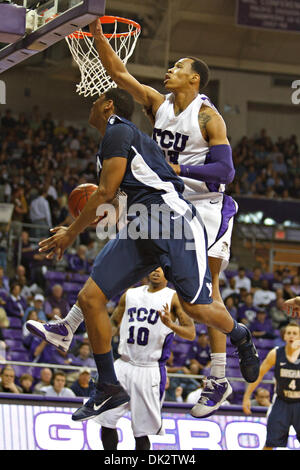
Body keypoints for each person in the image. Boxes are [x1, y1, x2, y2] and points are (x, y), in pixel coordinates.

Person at [26, 88, 259, 422]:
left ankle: (240, 335)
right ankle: (107, 385)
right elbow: (114, 197)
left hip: (171, 218)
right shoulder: (110, 142)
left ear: (107, 106)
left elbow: (107, 191)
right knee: (91, 297)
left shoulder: (119, 130)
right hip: (140, 223)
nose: (91, 106)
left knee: (195, 306)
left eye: (95, 102)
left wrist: (70, 231)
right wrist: (96, 214)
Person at [86, 18, 239, 418]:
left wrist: (176, 169)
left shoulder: (209, 118)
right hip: (168, 202)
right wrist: (99, 38)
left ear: (195, 80)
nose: (169, 70)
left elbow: (226, 173)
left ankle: (219, 377)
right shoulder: (158, 103)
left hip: (205, 205)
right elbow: (118, 72)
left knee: (207, 293)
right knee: (137, 264)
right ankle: (74, 327)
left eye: (178, 67)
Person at [94, 267, 195, 450]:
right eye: (153, 267)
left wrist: (171, 324)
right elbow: (114, 322)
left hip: (149, 370)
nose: (156, 271)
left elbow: (191, 333)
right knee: (106, 420)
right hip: (122, 365)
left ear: (168, 273)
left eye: (161, 268)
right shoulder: (130, 294)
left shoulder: (173, 298)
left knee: (141, 432)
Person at [242, 321, 300, 450]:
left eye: (295, 333)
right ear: (284, 336)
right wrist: (247, 397)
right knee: (270, 443)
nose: (291, 336)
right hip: (281, 402)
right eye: (289, 333)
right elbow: (259, 374)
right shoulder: (276, 353)